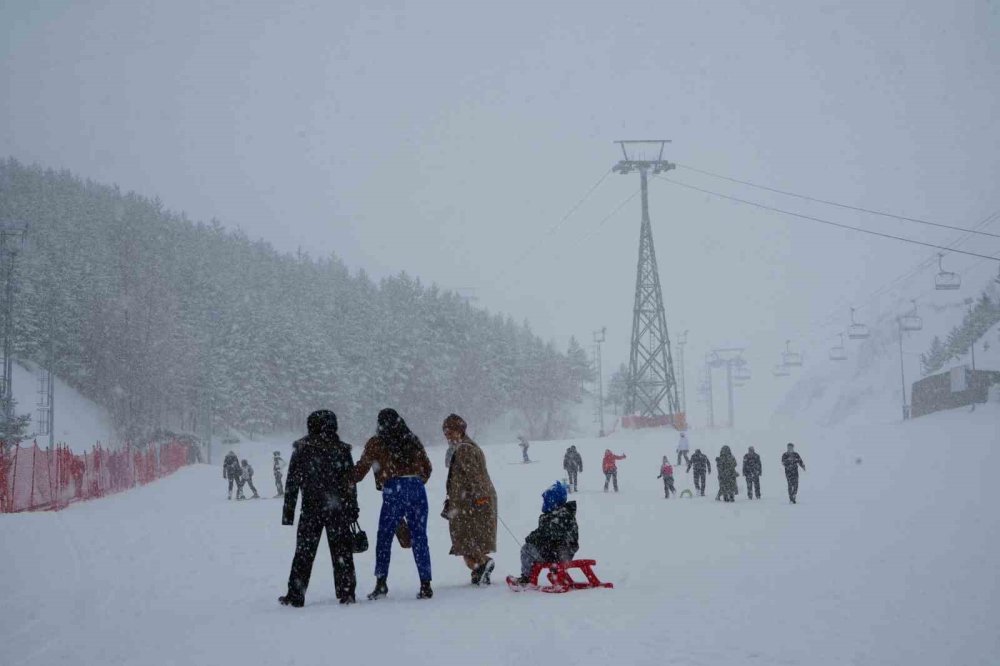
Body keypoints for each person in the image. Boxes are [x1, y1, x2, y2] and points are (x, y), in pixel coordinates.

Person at [279, 410, 358, 607]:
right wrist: (352, 508)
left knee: (304, 553)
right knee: (341, 552)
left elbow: (292, 483)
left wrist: (288, 513)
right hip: (337, 508)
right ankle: (347, 592)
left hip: (311, 508)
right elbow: (350, 483)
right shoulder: (341, 449)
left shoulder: (302, 449)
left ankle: (296, 594)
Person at [354, 408, 434, 600]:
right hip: (416, 488)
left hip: (394, 489)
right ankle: (426, 584)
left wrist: (340, 476)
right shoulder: (412, 440)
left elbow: (360, 471)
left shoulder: (377, 443)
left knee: (385, 536)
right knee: (420, 536)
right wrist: (414, 482)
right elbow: (428, 468)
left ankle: (381, 583)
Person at [442, 414, 498, 586]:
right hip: (468, 502)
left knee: (466, 541)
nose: (447, 436)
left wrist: (480, 498)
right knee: (467, 542)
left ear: (459, 431)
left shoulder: (465, 449)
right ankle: (480, 571)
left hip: (471, 503)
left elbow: (475, 476)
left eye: (450, 432)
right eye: (445, 433)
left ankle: (482, 563)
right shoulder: (466, 447)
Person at [510, 482, 579, 587]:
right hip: (561, 552)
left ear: (554, 501)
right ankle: (539, 574)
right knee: (534, 547)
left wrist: (532, 537)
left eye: (546, 500)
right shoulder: (563, 514)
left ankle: (527, 578)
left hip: (558, 552)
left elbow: (547, 533)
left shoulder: (559, 516)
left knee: (526, 549)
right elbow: (547, 533)